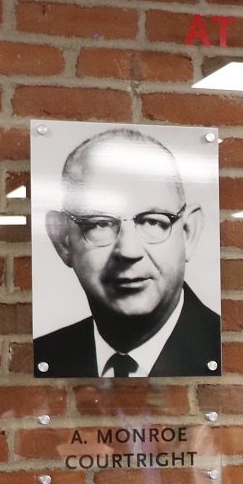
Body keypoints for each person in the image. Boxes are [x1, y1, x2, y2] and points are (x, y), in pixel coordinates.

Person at [34, 127, 220, 378]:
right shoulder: (45, 356)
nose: (129, 251)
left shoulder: (230, 350)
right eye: (100, 223)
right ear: (63, 239)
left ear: (188, 233)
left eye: (153, 222)